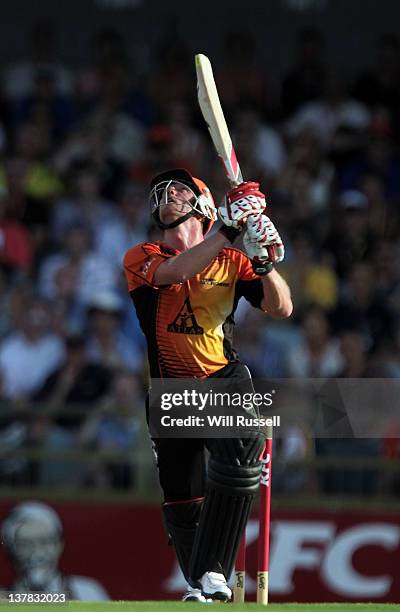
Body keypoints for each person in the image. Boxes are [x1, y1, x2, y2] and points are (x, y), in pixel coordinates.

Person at [123, 169, 292, 602]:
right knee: (183, 500)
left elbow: (282, 307)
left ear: (203, 204)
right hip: (171, 390)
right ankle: (203, 581)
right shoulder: (141, 256)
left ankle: (212, 573)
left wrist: (264, 262)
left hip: (222, 378)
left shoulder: (232, 260)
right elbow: (175, 272)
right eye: (161, 191)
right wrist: (232, 229)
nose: (167, 194)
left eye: (180, 189)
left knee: (243, 454)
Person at [0, 501, 109, 600]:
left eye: (45, 542)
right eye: (25, 545)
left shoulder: (87, 593)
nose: (37, 553)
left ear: (59, 545)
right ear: (10, 551)